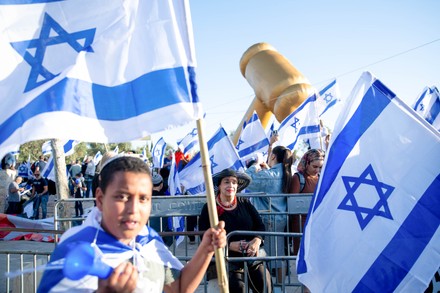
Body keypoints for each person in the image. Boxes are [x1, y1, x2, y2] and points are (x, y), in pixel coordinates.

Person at [38, 156, 226, 292]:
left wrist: (206, 249)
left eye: (143, 198)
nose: (133, 208)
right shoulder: (75, 246)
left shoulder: (148, 240)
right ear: (100, 199)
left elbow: (178, 287)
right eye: (122, 197)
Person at [199, 168, 272, 293]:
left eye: (234, 182)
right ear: (219, 185)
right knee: (239, 288)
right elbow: (204, 235)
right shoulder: (210, 207)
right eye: (226, 182)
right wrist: (229, 245)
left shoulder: (245, 203)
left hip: (251, 256)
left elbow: (260, 226)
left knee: (264, 284)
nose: (231, 185)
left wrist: (256, 241)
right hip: (224, 258)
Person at [245, 142, 294, 282]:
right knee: (279, 254)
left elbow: (246, 179)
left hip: (268, 219)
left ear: (272, 156)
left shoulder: (271, 174)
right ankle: (280, 286)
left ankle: (272, 287)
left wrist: (256, 164)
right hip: (279, 219)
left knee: (268, 256)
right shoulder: (285, 172)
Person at [289, 149, 325, 254]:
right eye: (315, 166)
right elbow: (293, 203)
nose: (317, 170)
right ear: (307, 163)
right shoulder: (297, 178)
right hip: (301, 224)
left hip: (317, 223)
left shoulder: (320, 178)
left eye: (320, 167)